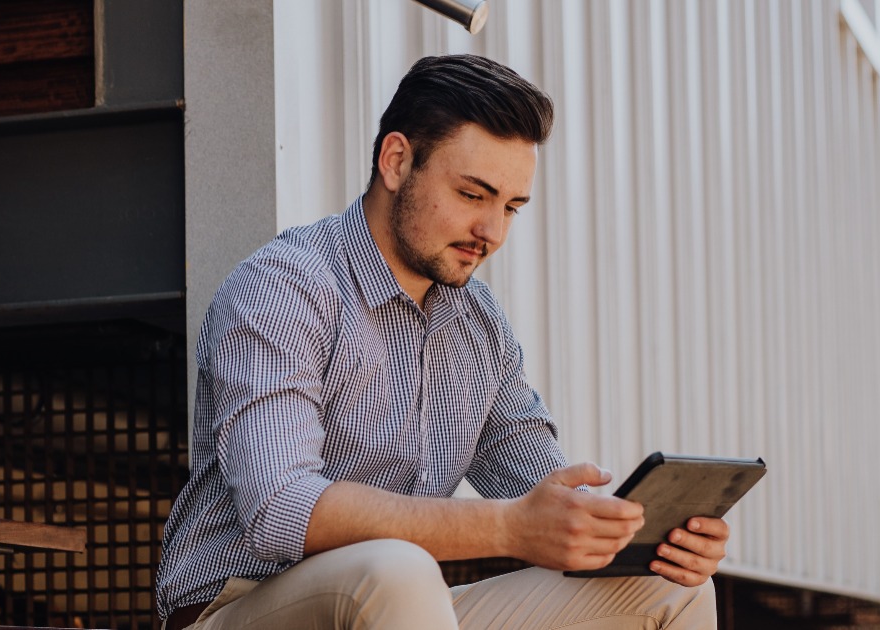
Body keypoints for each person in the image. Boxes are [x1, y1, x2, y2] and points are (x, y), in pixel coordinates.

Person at [156, 54, 729, 630]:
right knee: (397, 569)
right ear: (397, 160)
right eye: (473, 195)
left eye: (511, 207)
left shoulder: (477, 324)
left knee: (671, 587)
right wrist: (507, 527)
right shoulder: (284, 287)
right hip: (236, 606)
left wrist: (638, 535)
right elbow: (280, 507)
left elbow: (540, 492)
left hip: (401, 607)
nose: (493, 232)